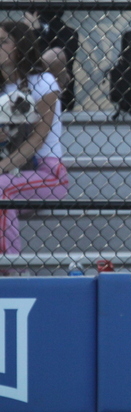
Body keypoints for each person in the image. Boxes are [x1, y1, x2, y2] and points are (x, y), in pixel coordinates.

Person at [0, 20, 69, 264]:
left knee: (2, 188)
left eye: (3, 42)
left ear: (20, 46)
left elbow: (38, 138)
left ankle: (10, 267)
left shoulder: (44, 82)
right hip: (12, 169)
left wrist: (3, 166)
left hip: (48, 171)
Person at [22, 9, 79, 112]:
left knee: (54, 56)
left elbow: (50, 60)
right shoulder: (14, 32)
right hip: (22, 93)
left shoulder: (67, 34)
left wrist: (36, 33)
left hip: (58, 98)